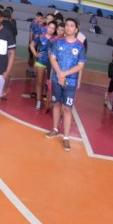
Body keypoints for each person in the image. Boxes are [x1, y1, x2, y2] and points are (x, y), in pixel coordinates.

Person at [45, 18, 87, 152]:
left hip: (71, 82)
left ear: (76, 29)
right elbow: (52, 58)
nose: (68, 28)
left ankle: (66, 137)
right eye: (67, 25)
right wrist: (59, 73)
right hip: (57, 79)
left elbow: (80, 65)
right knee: (56, 104)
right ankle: (55, 129)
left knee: (67, 108)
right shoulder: (57, 42)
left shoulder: (80, 46)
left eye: (71, 25)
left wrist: (64, 74)